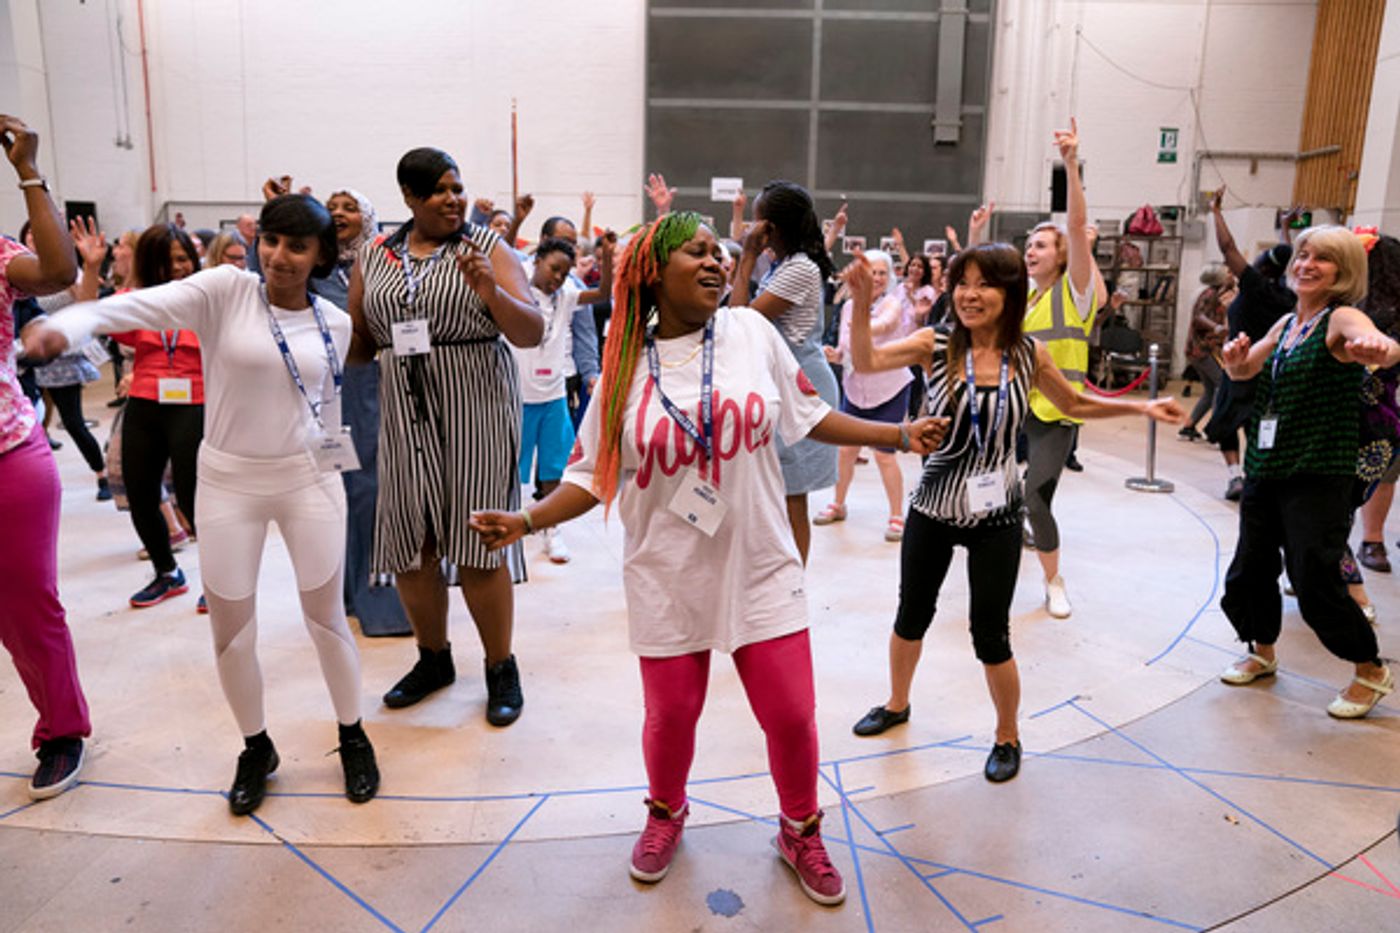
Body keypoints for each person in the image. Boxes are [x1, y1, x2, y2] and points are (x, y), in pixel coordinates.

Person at [469, 211, 947, 904]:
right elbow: (591, 474)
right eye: (696, 253)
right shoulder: (626, 364)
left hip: (760, 561)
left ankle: (800, 826)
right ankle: (666, 812)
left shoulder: (752, 331)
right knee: (671, 715)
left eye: (719, 251)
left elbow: (809, 416)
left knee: (790, 714)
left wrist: (899, 433)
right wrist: (527, 518)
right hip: (667, 571)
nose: (717, 261)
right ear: (652, 273)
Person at [26, 194, 382, 815]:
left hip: (309, 482)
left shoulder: (336, 320)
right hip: (228, 484)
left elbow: (325, 406)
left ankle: (352, 733)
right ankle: (256, 747)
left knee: (326, 621)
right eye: (270, 240)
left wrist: (335, 474)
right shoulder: (224, 290)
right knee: (232, 632)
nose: (278, 257)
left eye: (297, 246)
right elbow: (135, 305)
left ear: (321, 254)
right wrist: (71, 325)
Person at [842, 243, 1184, 782]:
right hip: (933, 507)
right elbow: (864, 361)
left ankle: (1007, 734)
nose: (970, 295)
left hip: (997, 514)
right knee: (912, 616)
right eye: (962, 283)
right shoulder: (933, 345)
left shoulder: (1028, 354)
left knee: (990, 633)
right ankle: (897, 703)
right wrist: (862, 303)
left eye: (985, 284)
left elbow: (1073, 405)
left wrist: (1139, 406)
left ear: (1009, 293)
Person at [348, 147, 544, 725]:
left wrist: (492, 292)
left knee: (480, 537)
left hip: (477, 402)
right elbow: (360, 343)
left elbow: (531, 331)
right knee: (413, 543)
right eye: (437, 190)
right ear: (408, 198)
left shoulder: (487, 248)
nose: (453, 199)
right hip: (404, 411)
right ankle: (433, 658)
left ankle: (499, 666)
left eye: (457, 187)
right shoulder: (374, 255)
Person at [1217, 225, 1395, 718]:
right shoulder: (1286, 324)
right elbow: (1245, 370)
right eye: (1302, 255)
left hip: (1319, 470)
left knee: (1313, 576)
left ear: (1344, 272)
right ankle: (1261, 651)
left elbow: (1378, 341)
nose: (1305, 264)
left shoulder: (1341, 317)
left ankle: (1370, 668)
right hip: (1267, 465)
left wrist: (1380, 349)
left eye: (1322, 259)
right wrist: (1233, 361)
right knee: (1250, 567)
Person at [0, 114, 90, 801]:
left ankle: (62, 730)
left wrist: (28, 169)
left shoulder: (0, 254)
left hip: (9, 454)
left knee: (28, 606)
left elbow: (60, 270)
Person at [730, 180, 841, 564]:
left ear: (771, 228)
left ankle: (793, 585)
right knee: (778, 491)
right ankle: (776, 572)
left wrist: (746, 257)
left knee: (793, 495)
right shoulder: (785, 264)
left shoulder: (800, 269)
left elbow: (738, 319)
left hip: (801, 389)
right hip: (782, 384)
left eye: (757, 221)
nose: (751, 229)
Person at [1020, 120, 1097, 618]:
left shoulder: (1076, 292)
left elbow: (1074, 227)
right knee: (994, 497)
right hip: (1012, 409)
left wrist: (1070, 163)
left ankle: (1054, 580)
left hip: (1053, 414)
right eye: (1028, 244)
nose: (1032, 249)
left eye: (1042, 245)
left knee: (1036, 498)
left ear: (1063, 254)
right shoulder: (1021, 295)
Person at [113, 223, 205, 608]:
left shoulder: (208, 298)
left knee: (193, 496)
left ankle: (220, 581)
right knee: (140, 490)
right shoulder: (140, 300)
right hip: (145, 401)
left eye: (183, 259)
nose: (176, 268)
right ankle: (167, 573)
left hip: (195, 400)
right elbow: (105, 320)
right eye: (165, 262)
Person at [513, 234, 614, 564]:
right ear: (537, 261)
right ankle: (509, 525)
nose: (558, 277)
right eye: (554, 269)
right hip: (518, 398)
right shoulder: (517, 291)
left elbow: (602, 293)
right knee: (511, 470)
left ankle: (551, 531)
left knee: (555, 470)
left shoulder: (567, 295)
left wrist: (607, 259)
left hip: (554, 395)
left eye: (564, 272)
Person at [1202, 189, 1297, 501]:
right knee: (1259, 424)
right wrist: (1285, 227)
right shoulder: (1288, 295)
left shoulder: (1255, 287)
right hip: (1268, 368)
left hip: (1240, 362)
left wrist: (1216, 211)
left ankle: (1235, 477)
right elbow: (1288, 256)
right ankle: (1258, 476)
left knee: (1227, 422)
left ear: (1263, 267)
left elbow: (1227, 247)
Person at [816, 249, 913, 541]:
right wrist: (835, 354)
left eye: (883, 272)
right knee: (846, 452)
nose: (878, 278)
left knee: (885, 456)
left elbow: (883, 326)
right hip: (856, 389)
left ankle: (897, 515)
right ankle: (838, 503)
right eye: (872, 272)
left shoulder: (893, 304)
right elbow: (847, 347)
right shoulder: (848, 307)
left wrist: (860, 318)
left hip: (890, 389)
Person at [1178, 265, 1235, 441]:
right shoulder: (1209, 295)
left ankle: (1189, 425)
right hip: (1202, 348)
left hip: (1200, 349)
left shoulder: (1212, 292)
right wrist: (1217, 327)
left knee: (1210, 390)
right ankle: (1215, 428)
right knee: (1220, 384)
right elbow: (1199, 317)